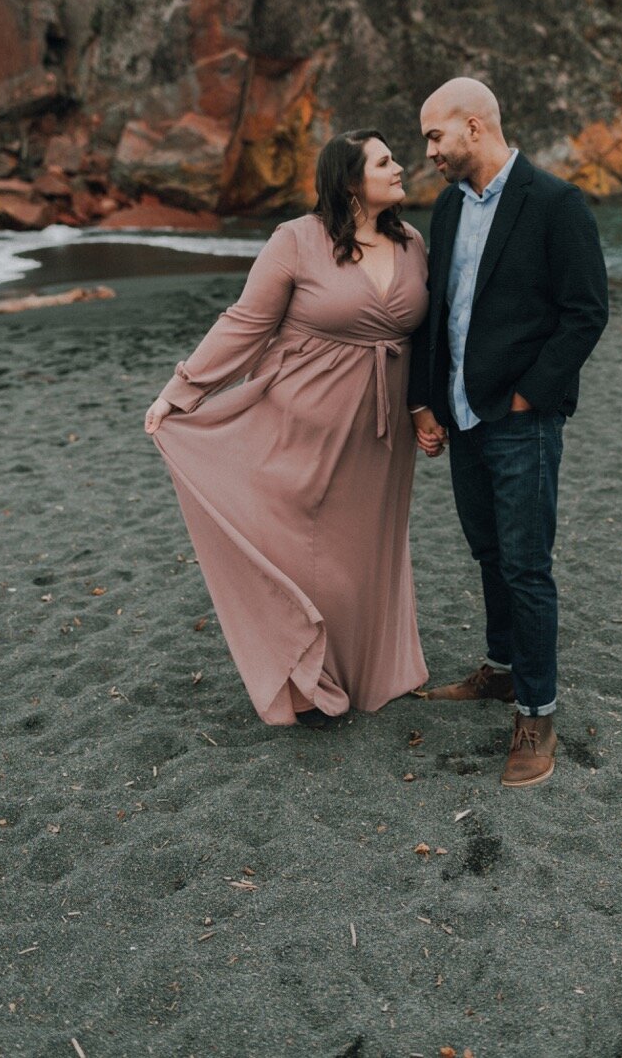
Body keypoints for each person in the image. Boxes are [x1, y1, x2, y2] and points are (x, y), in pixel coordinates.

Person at [146, 131, 431, 726]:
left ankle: (362, 670)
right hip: (299, 416)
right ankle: (308, 676)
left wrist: (425, 408)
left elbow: (431, 336)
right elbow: (246, 323)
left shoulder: (412, 243)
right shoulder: (297, 241)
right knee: (301, 548)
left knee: (363, 552)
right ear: (350, 181)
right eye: (385, 161)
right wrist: (183, 388)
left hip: (380, 432)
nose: (401, 166)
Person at [407, 77, 608, 789]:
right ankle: (499, 669)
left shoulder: (555, 203)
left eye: (435, 135)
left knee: (527, 564)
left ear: (473, 125)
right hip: (461, 417)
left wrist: (529, 397)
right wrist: (424, 403)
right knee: (488, 551)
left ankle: (537, 711)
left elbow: (585, 312)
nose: (428, 150)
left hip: (522, 421)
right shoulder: (447, 210)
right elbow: (438, 316)